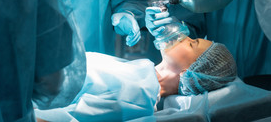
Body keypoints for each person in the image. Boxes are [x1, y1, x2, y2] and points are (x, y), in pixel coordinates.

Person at [35, 36, 237, 122]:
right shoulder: (142, 74)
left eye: (192, 43)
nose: (183, 37)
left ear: (191, 72)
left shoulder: (138, 96)